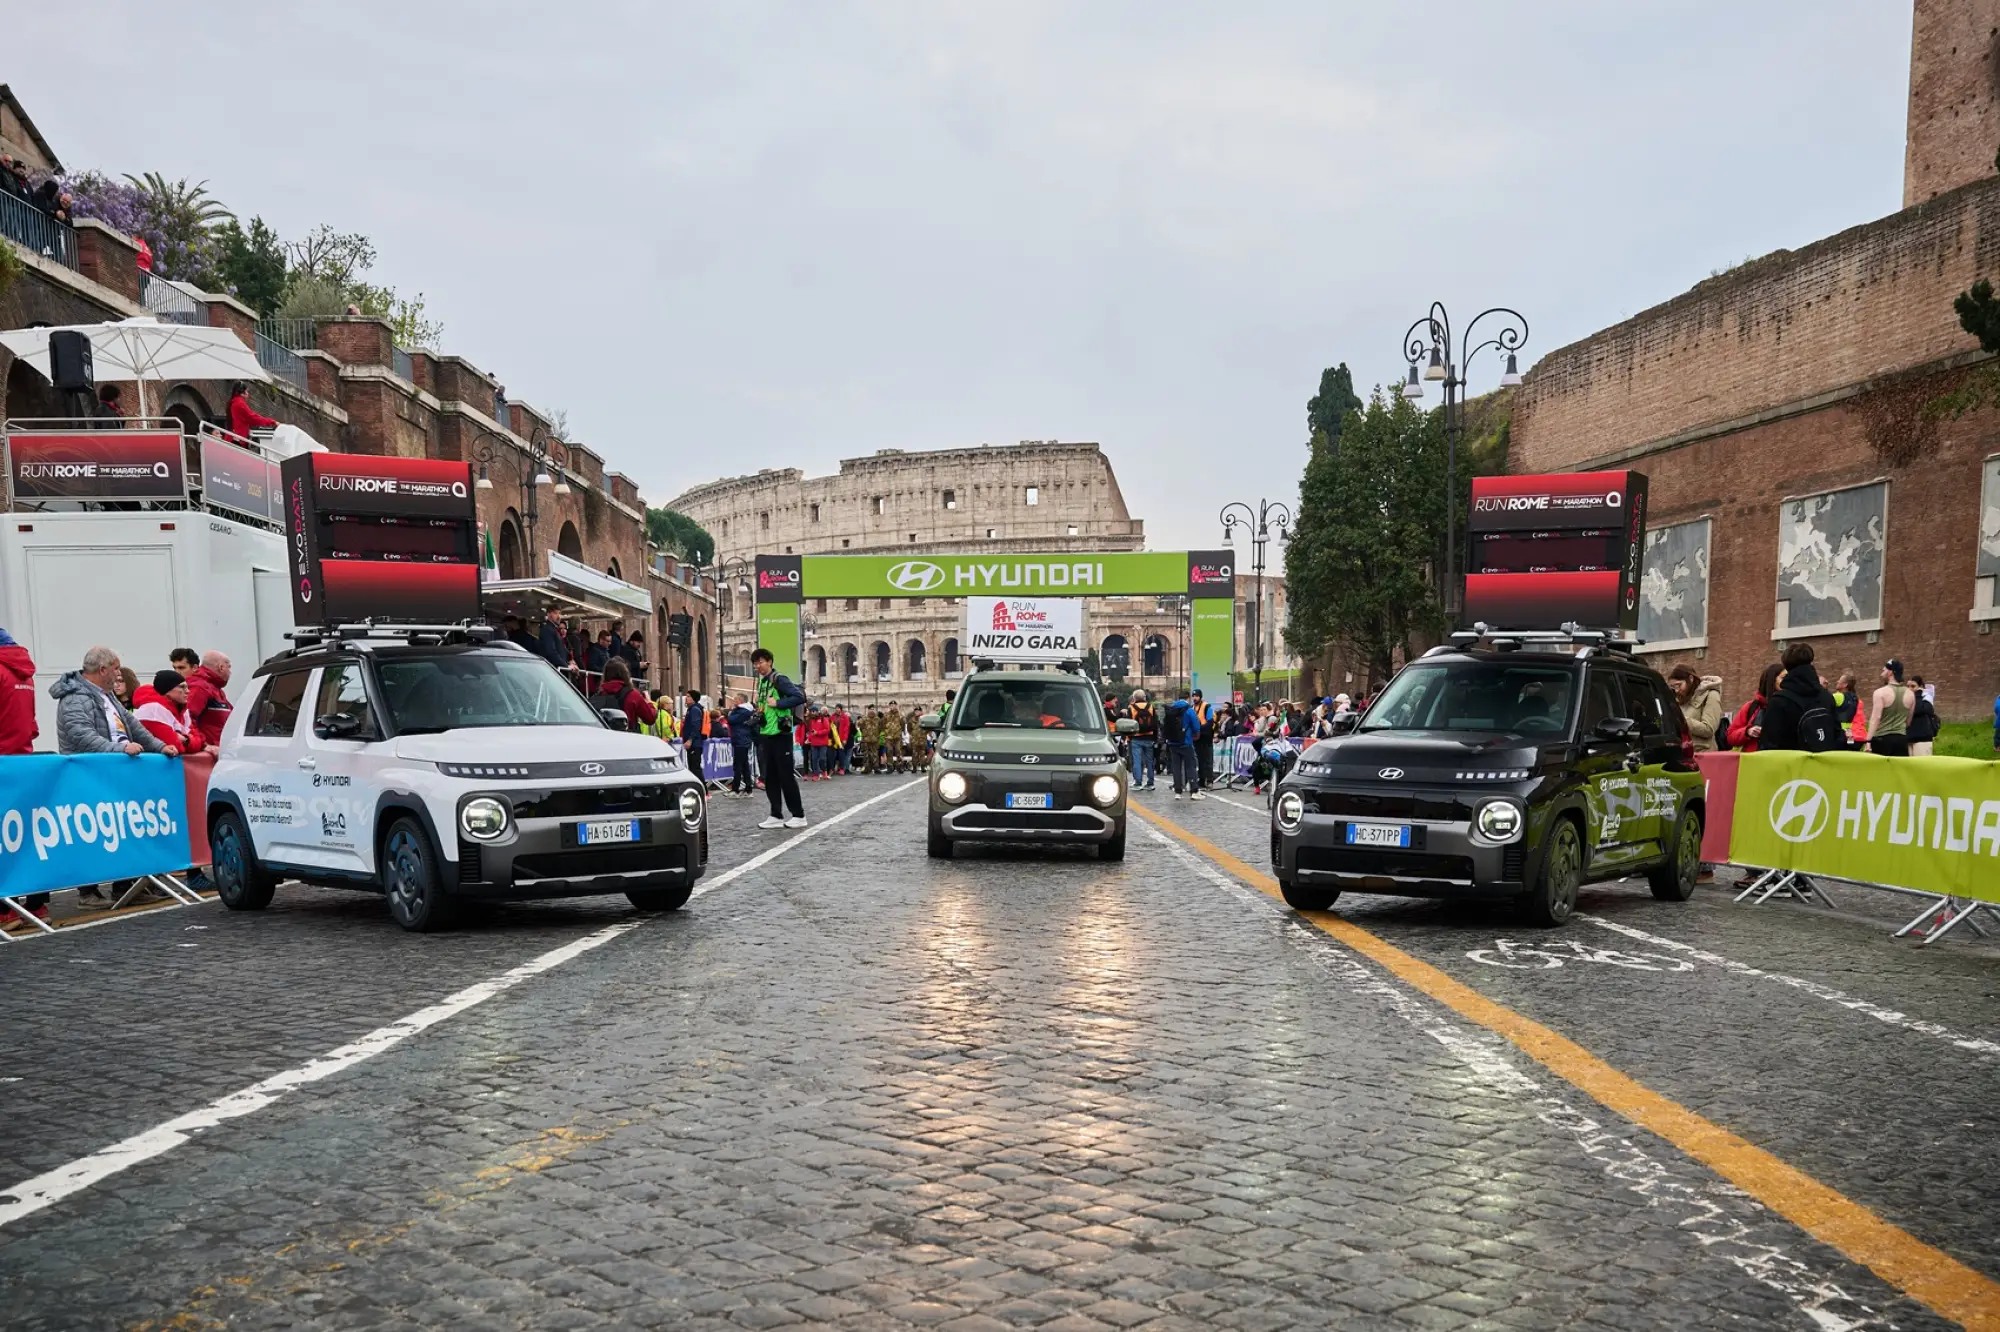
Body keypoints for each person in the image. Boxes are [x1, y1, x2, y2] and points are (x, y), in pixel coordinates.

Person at [0, 626, 47, 921]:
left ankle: (5, 910)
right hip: (22, 760)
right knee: (27, 837)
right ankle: (37, 906)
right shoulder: (25, 673)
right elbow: (32, 726)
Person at [751, 647, 807, 829]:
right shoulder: (761, 683)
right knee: (770, 776)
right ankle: (776, 814)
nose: (758, 666)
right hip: (766, 733)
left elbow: (799, 697)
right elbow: (764, 705)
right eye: (755, 663)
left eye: (761, 662)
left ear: (769, 662)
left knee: (785, 776)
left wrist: (779, 703)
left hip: (781, 734)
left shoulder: (779, 679)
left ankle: (798, 814)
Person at [1760, 643, 1838, 752]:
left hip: (1791, 765)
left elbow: (1769, 745)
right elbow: (1837, 735)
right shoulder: (1827, 696)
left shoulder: (1780, 701)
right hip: (1823, 763)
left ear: (1786, 666)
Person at [133, 669, 205, 755]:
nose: (188, 691)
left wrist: (185, 739)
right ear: (167, 690)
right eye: (182, 687)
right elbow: (175, 747)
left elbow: (199, 741)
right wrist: (189, 740)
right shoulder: (152, 710)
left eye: (187, 687)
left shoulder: (183, 710)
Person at [1726, 663, 1784, 754]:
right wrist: (1747, 731)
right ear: (1771, 681)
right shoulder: (1751, 707)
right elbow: (1730, 736)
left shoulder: (1790, 705)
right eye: (1783, 678)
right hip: (1753, 761)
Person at [184, 651, 235, 749]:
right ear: (221, 667)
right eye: (229, 667)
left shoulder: (215, 689)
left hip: (218, 752)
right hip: (207, 757)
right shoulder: (200, 687)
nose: (230, 672)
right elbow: (186, 719)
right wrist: (204, 746)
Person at [1667, 665, 1724, 751]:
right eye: (1673, 687)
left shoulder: (1711, 695)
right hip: (1684, 753)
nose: (1677, 690)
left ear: (1691, 678)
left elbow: (1709, 729)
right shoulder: (1679, 699)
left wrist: (1682, 720)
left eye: (1679, 685)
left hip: (1704, 754)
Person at [1864, 659, 1915, 757]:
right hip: (1901, 740)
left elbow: (1876, 718)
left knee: (1880, 771)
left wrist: (1868, 741)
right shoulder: (1911, 694)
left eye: (1883, 671)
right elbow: (1908, 721)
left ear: (1890, 672)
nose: (1881, 674)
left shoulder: (1880, 693)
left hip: (1881, 739)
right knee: (1897, 771)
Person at [593, 659, 657, 732]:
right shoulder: (632, 695)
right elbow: (650, 718)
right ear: (625, 674)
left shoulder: (600, 694)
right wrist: (649, 702)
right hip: (628, 737)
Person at [1164, 690, 1202, 800]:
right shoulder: (1189, 709)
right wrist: (1196, 734)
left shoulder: (1171, 708)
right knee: (1190, 766)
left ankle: (1178, 792)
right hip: (1186, 741)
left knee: (1176, 767)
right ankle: (1194, 791)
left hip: (1173, 742)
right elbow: (1195, 725)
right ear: (1188, 698)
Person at [727, 693, 758, 794]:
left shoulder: (742, 711)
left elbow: (731, 720)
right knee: (744, 765)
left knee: (738, 765)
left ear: (740, 700)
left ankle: (735, 789)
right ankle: (748, 788)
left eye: (735, 699)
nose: (733, 701)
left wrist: (732, 710)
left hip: (741, 740)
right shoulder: (745, 711)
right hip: (741, 739)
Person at [1128, 690, 1157, 791]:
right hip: (1149, 737)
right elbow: (1155, 723)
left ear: (1134, 698)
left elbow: (1128, 724)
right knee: (1149, 761)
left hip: (1136, 737)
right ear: (1144, 697)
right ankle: (1150, 783)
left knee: (1137, 761)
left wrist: (1129, 737)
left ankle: (1138, 782)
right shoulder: (1151, 707)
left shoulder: (1131, 708)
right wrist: (1155, 738)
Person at [1907, 676, 1939, 757]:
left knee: (1921, 766)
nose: (1910, 689)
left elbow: (1922, 709)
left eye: (1913, 686)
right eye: (1908, 686)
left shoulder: (1926, 696)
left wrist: (1917, 694)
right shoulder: (1906, 697)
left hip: (1922, 738)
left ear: (1920, 687)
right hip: (1908, 737)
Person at [1192, 690, 1217, 790]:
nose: (1195, 698)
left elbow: (1210, 722)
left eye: (1197, 696)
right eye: (1193, 696)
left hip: (1206, 736)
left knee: (1208, 759)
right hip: (1197, 737)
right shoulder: (1192, 708)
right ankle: (1201, 780)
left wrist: (1199, 728)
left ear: (1200, 697)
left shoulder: (1207, 707)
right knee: (1200, 760)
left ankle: (1210, 780)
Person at [681, 689, 707, 755]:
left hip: (695, 744)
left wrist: (690, 740)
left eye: (689, 696)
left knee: (694, 764)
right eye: (686, 696)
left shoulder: (694, 710)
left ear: (694, 698)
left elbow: (696, 726)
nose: (686, 698)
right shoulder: (691, 709)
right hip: (693, 744)